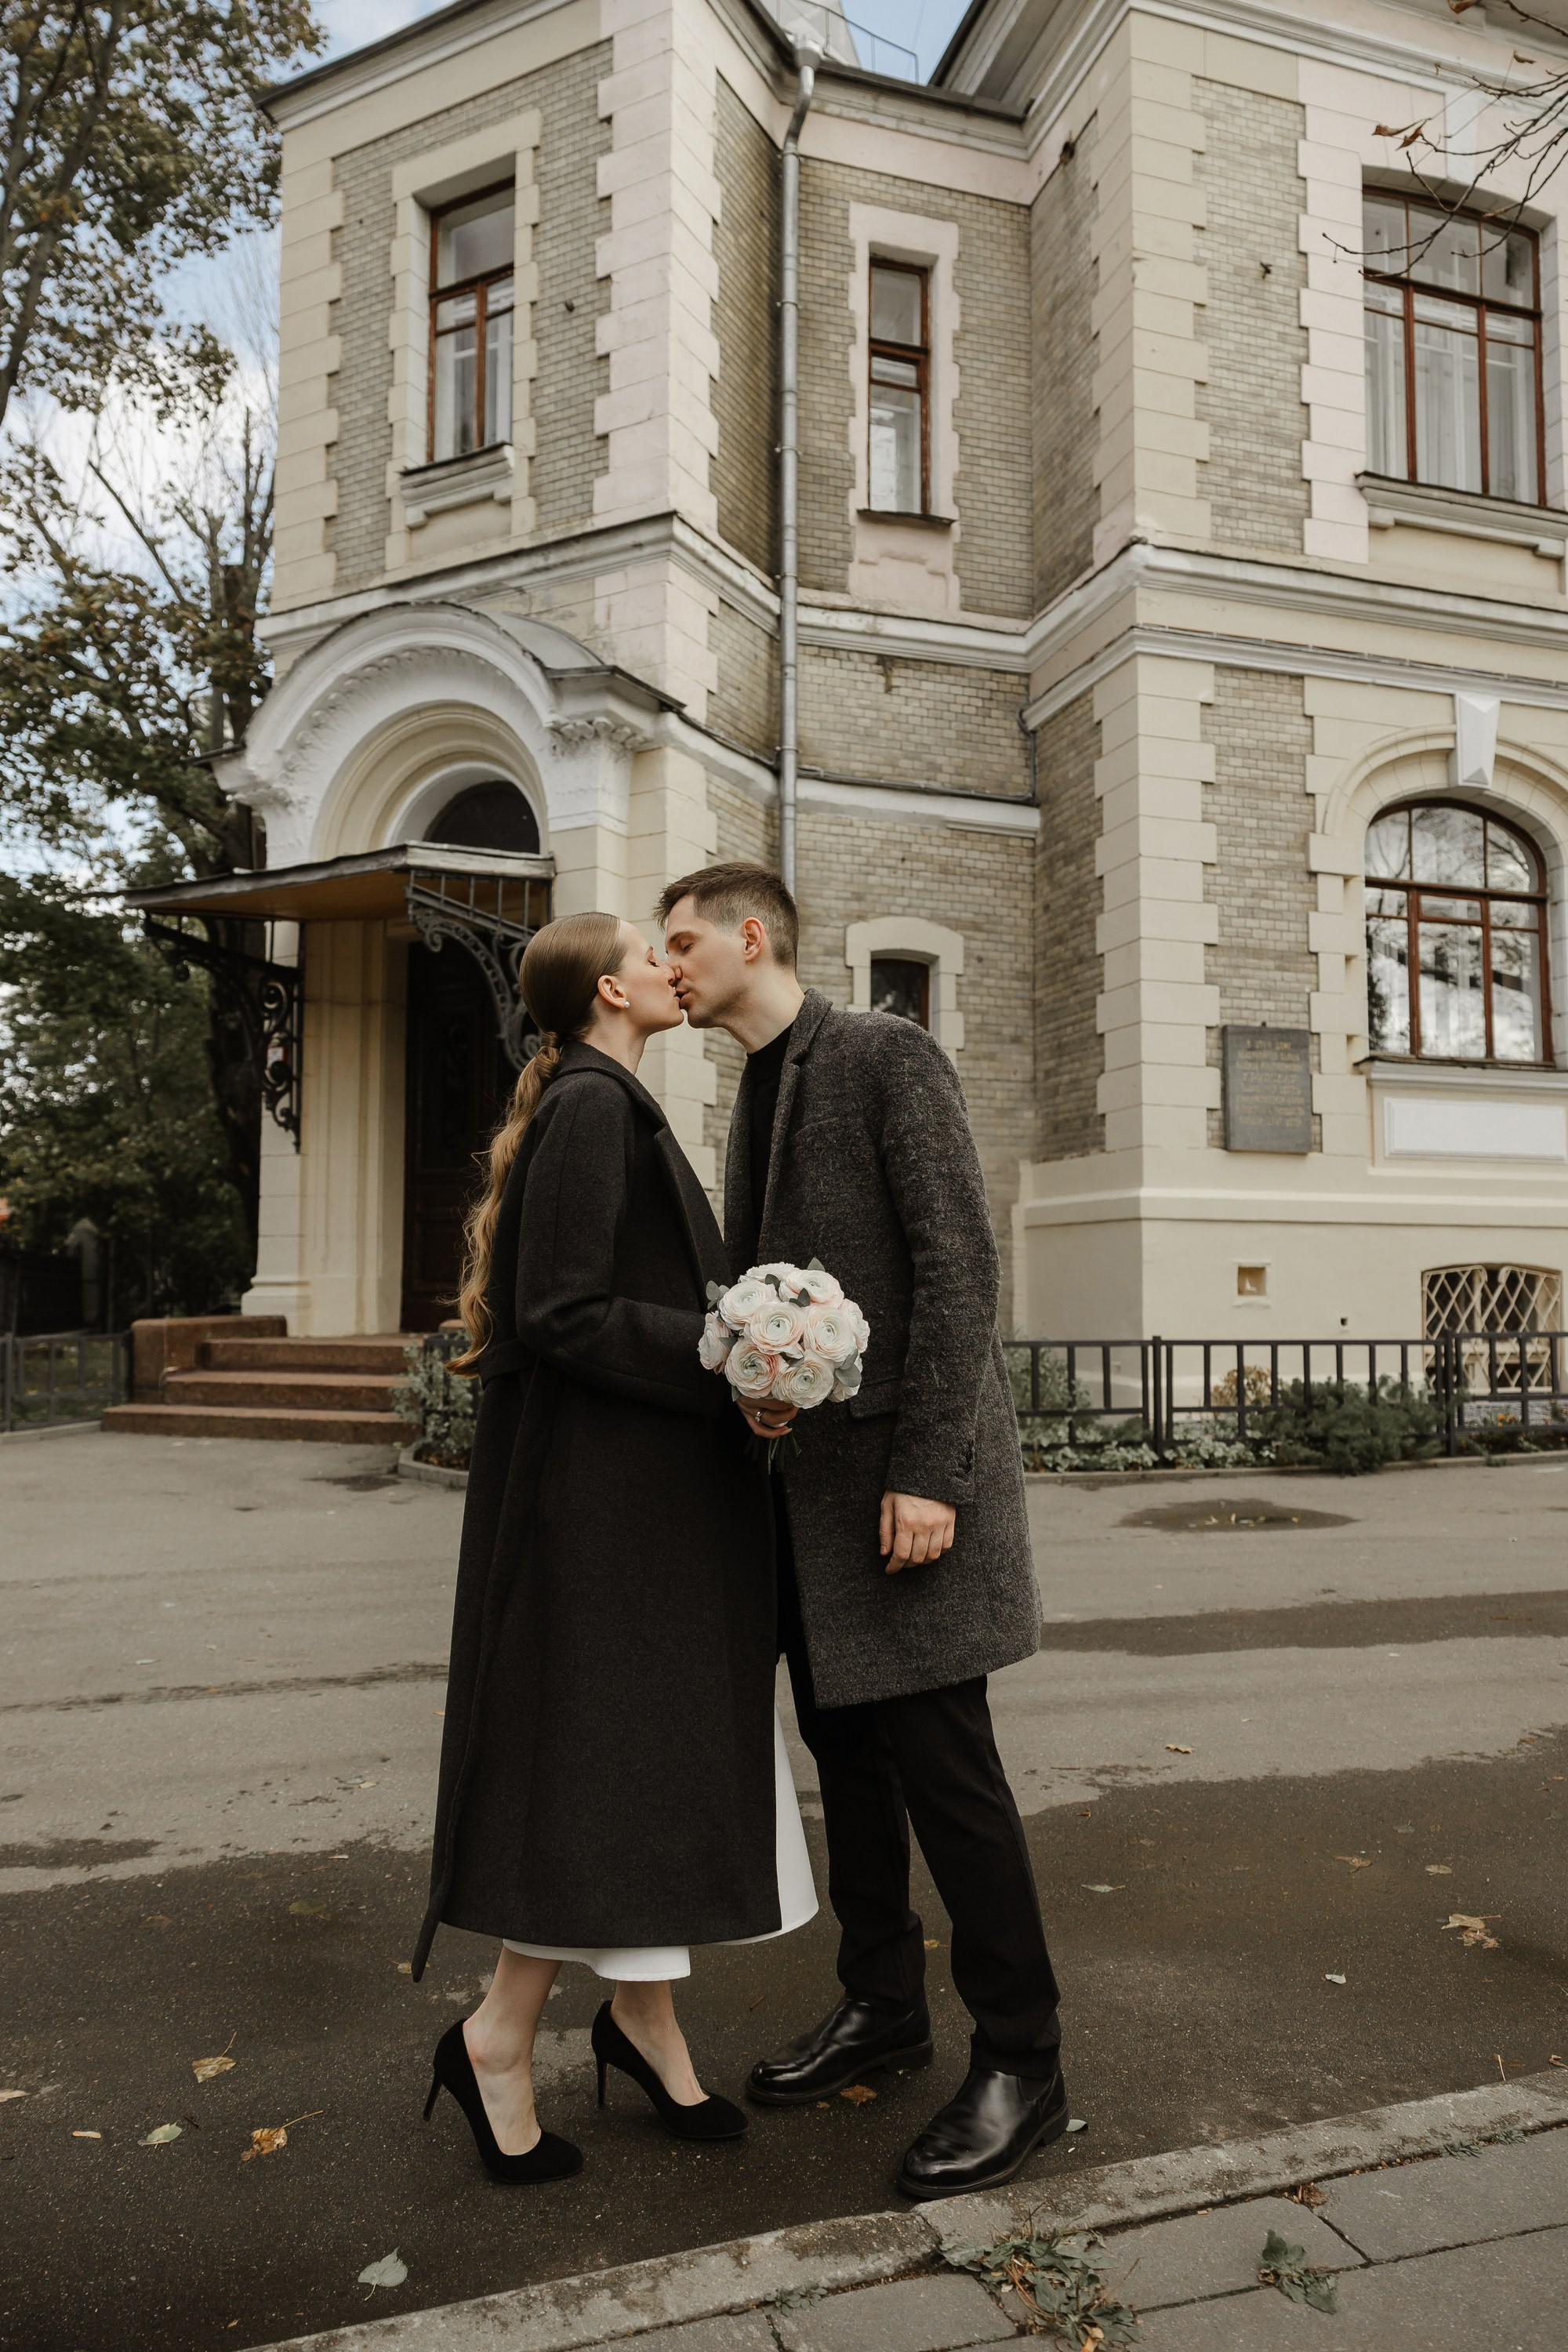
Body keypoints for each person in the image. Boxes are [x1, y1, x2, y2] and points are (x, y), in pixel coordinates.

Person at [659, 862, 1067, 2202]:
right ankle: (883, 2008)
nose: (671, 966)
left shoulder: (886, 1054)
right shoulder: (746, 1094)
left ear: (751, 935)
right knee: (854, 1774)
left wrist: (931, 1472)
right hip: (807, 1510)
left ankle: (1025, 2063)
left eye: (683, 942)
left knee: (949, 1776)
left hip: (905, 1499)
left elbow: (959, 1263)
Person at [411, 909, 815, 2184]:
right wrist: (727, 1356)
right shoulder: (594, 1103)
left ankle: (639, 2024)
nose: (670, 964)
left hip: (634, 1501)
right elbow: (566, 1311)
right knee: (608, 1759)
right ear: (604, 990)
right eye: (651, 951)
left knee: (637, 1761)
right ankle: (501, 2036)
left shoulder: (609, 1096)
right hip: (604, 1510)